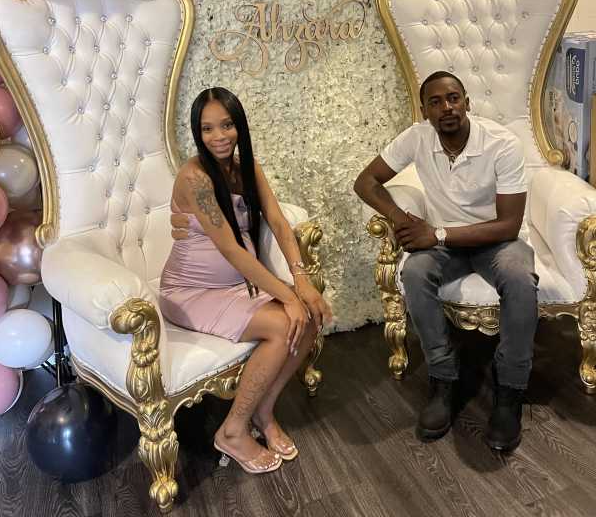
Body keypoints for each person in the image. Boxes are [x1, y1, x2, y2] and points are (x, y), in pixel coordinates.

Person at [353, 71, 538, 452]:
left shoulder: (501, 143)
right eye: (435, 102)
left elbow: (508, 225)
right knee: (414, 271)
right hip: (444, 245)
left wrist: (435, 234)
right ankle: (443, 377)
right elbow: (365, 182)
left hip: (496, 242)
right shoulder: (417, 138)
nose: (446, 108)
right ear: (425, 111)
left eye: (453, 98)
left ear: (467, 102)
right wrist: (399, 217)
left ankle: (510, 390)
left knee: (520, 278)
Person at [159, 87, 332, 473]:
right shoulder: (194, 178)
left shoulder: (246, 168)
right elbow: (230, 249)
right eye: (207, 129)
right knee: (286, 321)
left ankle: (263, 412)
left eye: (226, 125)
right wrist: (288, 296)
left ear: (239, 126)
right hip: (191, 291)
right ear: (197, 133)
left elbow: (279, 222)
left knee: (310, 317)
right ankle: (233, 430)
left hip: (237, 285)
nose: (218, 136)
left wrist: (301, 282)